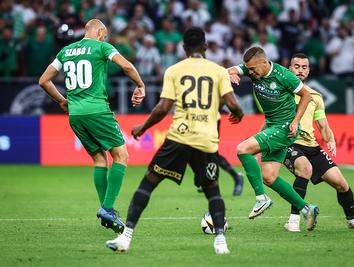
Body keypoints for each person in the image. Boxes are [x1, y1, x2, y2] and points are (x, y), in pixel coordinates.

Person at [106, 27, 243, 254]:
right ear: (205, 47)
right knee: (212, 189)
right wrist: (238, 114)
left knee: (148, 182)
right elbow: (233, 104)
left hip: (179, 136)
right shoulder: (218, 71)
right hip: (206, 140)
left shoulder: (174, 70)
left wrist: (143, 126)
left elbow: (162, 108)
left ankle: (126, 237)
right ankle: (221, 242)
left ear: (183, 48)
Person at [38, 19, 146, 234]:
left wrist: (61, 100)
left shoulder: (66, 51)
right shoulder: (102, 46)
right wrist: (140, 85)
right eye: (104, 35)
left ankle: (108, 210)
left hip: (76, 114)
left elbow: (43, 81)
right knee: (121, 155)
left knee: (99, 159)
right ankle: (107, 208)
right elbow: (126, 65)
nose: (105, 38)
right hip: (97, 111)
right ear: (99, 32)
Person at [283, 53, 354, 231]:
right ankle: (293, 221)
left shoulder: (315, 96)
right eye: (296, 66)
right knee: (304, 170)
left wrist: (330, 139)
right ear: (289, 69)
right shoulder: (281, 92)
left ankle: (352, 220)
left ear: (309, 71)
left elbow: (322, 124)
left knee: (341, 184)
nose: (300, 70)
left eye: (304, 67)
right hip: (290, 143)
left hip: (312, 146)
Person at [228, 46, 319, 231]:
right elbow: (225, 71)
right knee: (269, 177)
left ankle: (261, 199)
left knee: (242, 149)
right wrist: (230, 73)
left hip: (285, 127)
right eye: (248, 69)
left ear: (264, 62)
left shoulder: (283, 75)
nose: (250, 73)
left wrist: (295, 121)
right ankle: (307, 209)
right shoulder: (252, 68)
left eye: (253, 69)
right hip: (271, 125)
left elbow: (307, 95)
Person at [197, 117, 244, 196]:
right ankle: (208, 179)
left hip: (211, 119)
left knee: (211, 152)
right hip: (198, 119)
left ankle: (236, 177)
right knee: (201, 151)